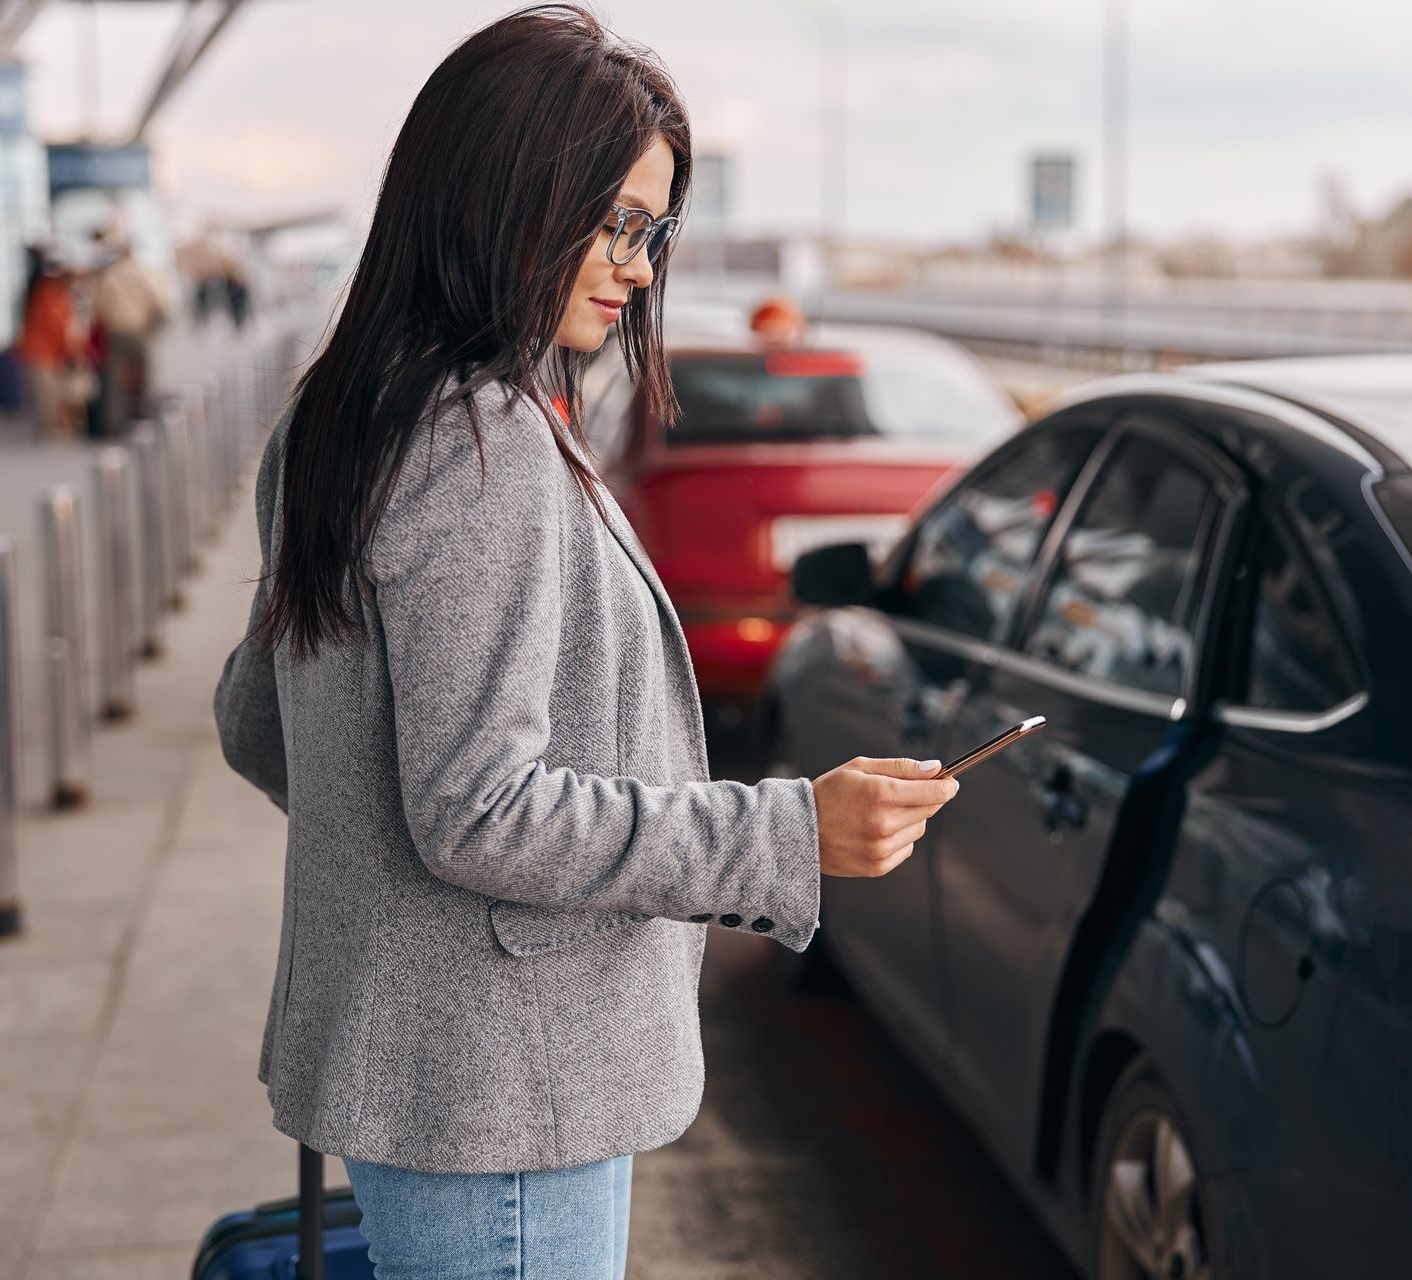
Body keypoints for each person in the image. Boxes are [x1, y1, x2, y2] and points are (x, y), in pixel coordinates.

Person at [210, 7, 960, 1277]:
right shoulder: (478, 447)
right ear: (503, 195)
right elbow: (479, 811)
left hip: (439, 1073)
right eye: (612, 221)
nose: (639, 265)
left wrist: (384, 872)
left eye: (653, 230)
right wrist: (786, 832)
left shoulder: (350, 410)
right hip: (504, 1086)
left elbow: (255, 718)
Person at [92, 232, 173, 432]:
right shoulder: (144, 272)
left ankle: (113, 422)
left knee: (115, 379)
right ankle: (143, 418)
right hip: (139, 330)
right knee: (144, 374)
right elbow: (160, 301)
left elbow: (100, 305)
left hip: (117, 330)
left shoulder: (111, 274)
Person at [18, 251, 83, 442]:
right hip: (42, 351)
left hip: (45, 351)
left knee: (48, 394)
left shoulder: (50, 292)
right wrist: (70, 351)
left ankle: (50, 430)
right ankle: (49, 432)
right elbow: (57, 327)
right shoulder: (53, 295)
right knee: (48, 395)